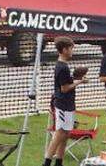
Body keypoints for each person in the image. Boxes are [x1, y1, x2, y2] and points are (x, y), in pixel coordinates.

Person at [44, 37, 86, 166]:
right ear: (64, 50)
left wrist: (75, 78)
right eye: (71, 48)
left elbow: (66, 83)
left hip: (68, 104)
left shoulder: (64, 66)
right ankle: (46, 162)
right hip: (63, 104)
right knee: (60, 133)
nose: (72, 51)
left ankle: (59, 162)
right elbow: (64, 88)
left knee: (66, 133)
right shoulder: (62, 67)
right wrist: (79, 81)